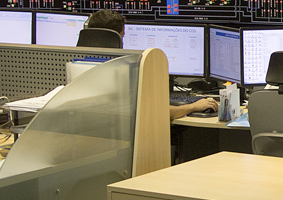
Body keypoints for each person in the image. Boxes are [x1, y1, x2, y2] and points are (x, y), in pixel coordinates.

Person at [84, 10, 219, 119]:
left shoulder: (77, 66)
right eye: (122, 37)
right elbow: (157, 113)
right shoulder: (119, 74)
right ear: (114, 37)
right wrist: (193, 106)